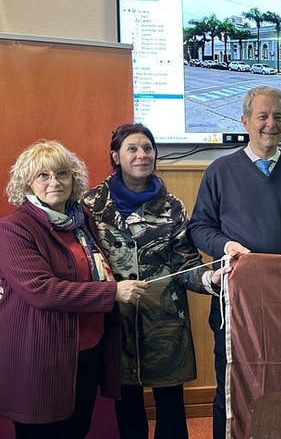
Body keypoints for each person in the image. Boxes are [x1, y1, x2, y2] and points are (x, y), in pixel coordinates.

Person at [188, 85, 281, 438]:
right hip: (236, 305)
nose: (271, 124)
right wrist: (226, 244)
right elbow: (199, 227)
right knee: (231, 388)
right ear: (245, 121)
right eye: (263, 116)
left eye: (278, 117)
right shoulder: (219, 171)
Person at [83, 124, 231, 439]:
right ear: (116, 156)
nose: (141, 155)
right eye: (132, 148)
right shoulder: (91, 204)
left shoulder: (172, 205)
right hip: (115, 322)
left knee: (171, 409)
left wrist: (210, 278)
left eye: (148, 148)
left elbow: (186, 262)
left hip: (166, 323)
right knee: (128, 408)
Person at [0, 140, 147, 439]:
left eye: (62, 174)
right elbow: (41, 290)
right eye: (43, 175)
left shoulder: (82, 221)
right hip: (41, 356)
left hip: (87, 351)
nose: (54, 182)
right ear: (27, 183)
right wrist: (113, 293)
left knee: (76, 429)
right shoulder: (13, 228)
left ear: (73, 179)